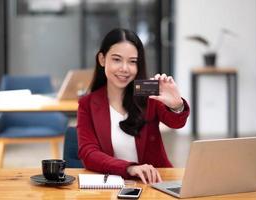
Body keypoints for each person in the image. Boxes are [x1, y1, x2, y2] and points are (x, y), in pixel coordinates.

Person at [77, 28, 190, 184]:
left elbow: (176, 123)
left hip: (155, 183)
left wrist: (177, 106)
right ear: (102, 59)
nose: (125, 68)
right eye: (117, 59)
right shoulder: (87, 103)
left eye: (132, 61)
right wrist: (130, 168)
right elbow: (88, 153)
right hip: (111, 186)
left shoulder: (148, 89)